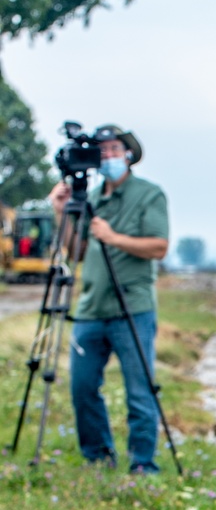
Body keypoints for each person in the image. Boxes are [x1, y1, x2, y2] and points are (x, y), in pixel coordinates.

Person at [48, 125, 169, 473]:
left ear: (129, 154)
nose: (108, 156)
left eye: (115, 149)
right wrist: (62, 213)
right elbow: (76, 251)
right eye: (102, 151)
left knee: (139, 391)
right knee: (82, 388)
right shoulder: (92, 197)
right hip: (90, 308)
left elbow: (159, 247)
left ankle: (143, 465)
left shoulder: (148, 194)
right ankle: (98, 458)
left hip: (133, 308)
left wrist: (113, 237)